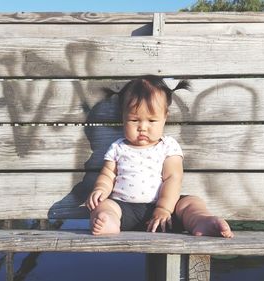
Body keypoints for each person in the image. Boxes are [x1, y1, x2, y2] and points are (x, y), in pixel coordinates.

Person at [86, 75, 233, 238]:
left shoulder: (167, 146)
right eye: (134, 120)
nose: (142, 127)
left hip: (166, 213)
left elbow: (173, 178)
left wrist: (164, 208)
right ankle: (109, 222)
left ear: (165, 118)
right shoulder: (118, 147)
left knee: (190, 203)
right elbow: (108, 174)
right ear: (123, 118)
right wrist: (101, 189)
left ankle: (202, 221)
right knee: (104, 206)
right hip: (124, 209)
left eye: (151, 120)